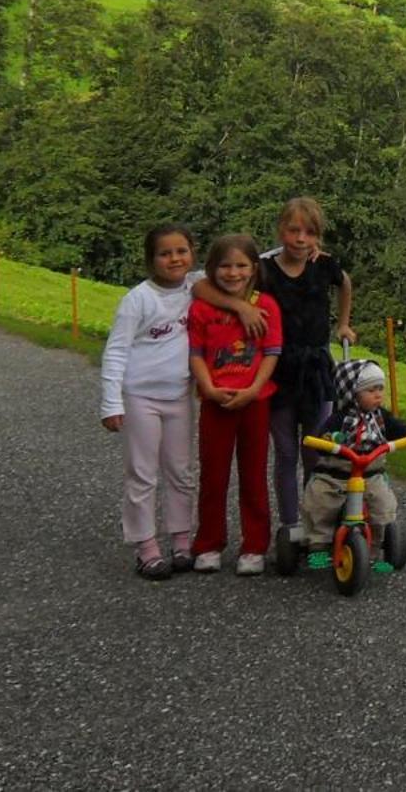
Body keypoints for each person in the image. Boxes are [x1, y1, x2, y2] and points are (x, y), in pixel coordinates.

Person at [194, 196, 354, 554]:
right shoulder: (264, 268)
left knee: (316, 449)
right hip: (277, 371)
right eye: (293, 230)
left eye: (309, 233)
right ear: (280, 230)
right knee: (284, 452)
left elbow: (346, 283)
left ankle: (317, 520)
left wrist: (343, 323)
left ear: (318, 236)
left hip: (316, 371)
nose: (300, 239)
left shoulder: (325, 265)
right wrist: (238, 306)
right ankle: (290, 525)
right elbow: (200, 286)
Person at [100, 224, 199, 581]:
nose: (174, 258)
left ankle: (182, 541)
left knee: (181, 472)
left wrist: (296, 249)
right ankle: (146, 548)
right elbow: (116, 351)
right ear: (150, 259)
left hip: (179, 397)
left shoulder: (195, 287)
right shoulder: (137, 299)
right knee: (142, 474)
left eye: (181, 251)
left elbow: (241, 259)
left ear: (192, 253)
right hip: (140, 397)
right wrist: (111, 403)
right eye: (165, 253)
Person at [186, 234, 283, 575]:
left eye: (241, 265)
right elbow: (195, 353)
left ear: (254, 269)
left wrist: (254, 389)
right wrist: (208, 388)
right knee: (213, 476)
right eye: (225, 266)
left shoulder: (267, 306)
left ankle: (254, 546)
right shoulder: (201, 308)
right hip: (215, 402)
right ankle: (208, 544)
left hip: (255, 402)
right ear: (211, 270)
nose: (233, 273)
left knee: (253, 475)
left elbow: (271, 353)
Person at [301, 361, 406, 571]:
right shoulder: (339, 418)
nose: (377, 395)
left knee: (383, 505)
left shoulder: (380, 417)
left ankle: (374, 550)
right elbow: (322, 439)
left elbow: (396, 428)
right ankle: (318, 544)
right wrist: (327, 440)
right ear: (352, 394)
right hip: (336, 472)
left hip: (370, 472)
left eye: (380, 389)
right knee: (319, 500)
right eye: (370, 390)